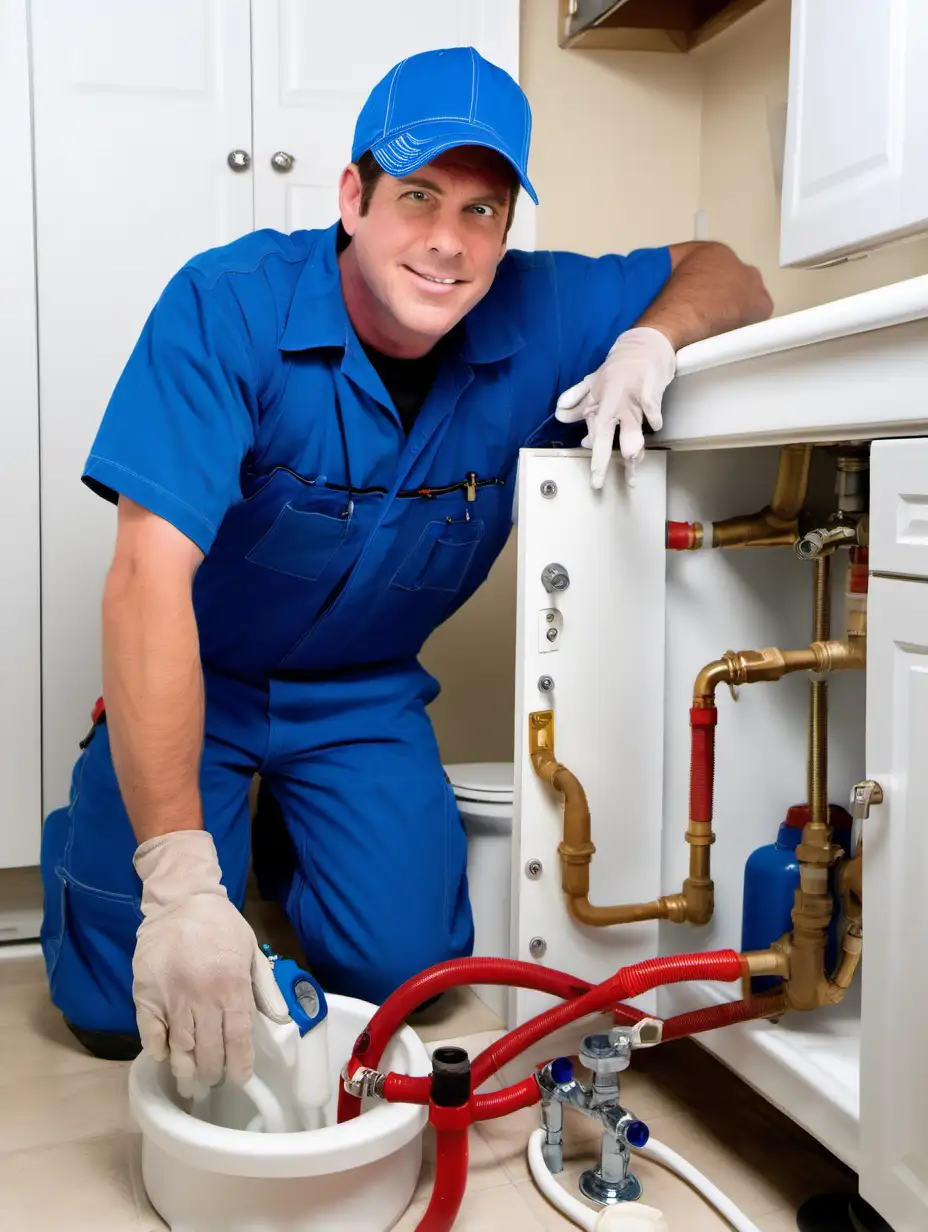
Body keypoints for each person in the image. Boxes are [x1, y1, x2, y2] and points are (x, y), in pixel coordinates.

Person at [39, 46, 772, 1093]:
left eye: (483, 210)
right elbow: (146, 579)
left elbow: (729, 271)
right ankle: (109, 823)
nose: (447, 241)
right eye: (418, 194)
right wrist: (177, 876)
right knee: (116, 1011)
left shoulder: (541, 308)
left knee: (406, 975)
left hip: (361, 693)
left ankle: (287, 841)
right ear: (353, 195)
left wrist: (649, 340)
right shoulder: (227, 304)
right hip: (204, 676)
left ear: (510, 225)